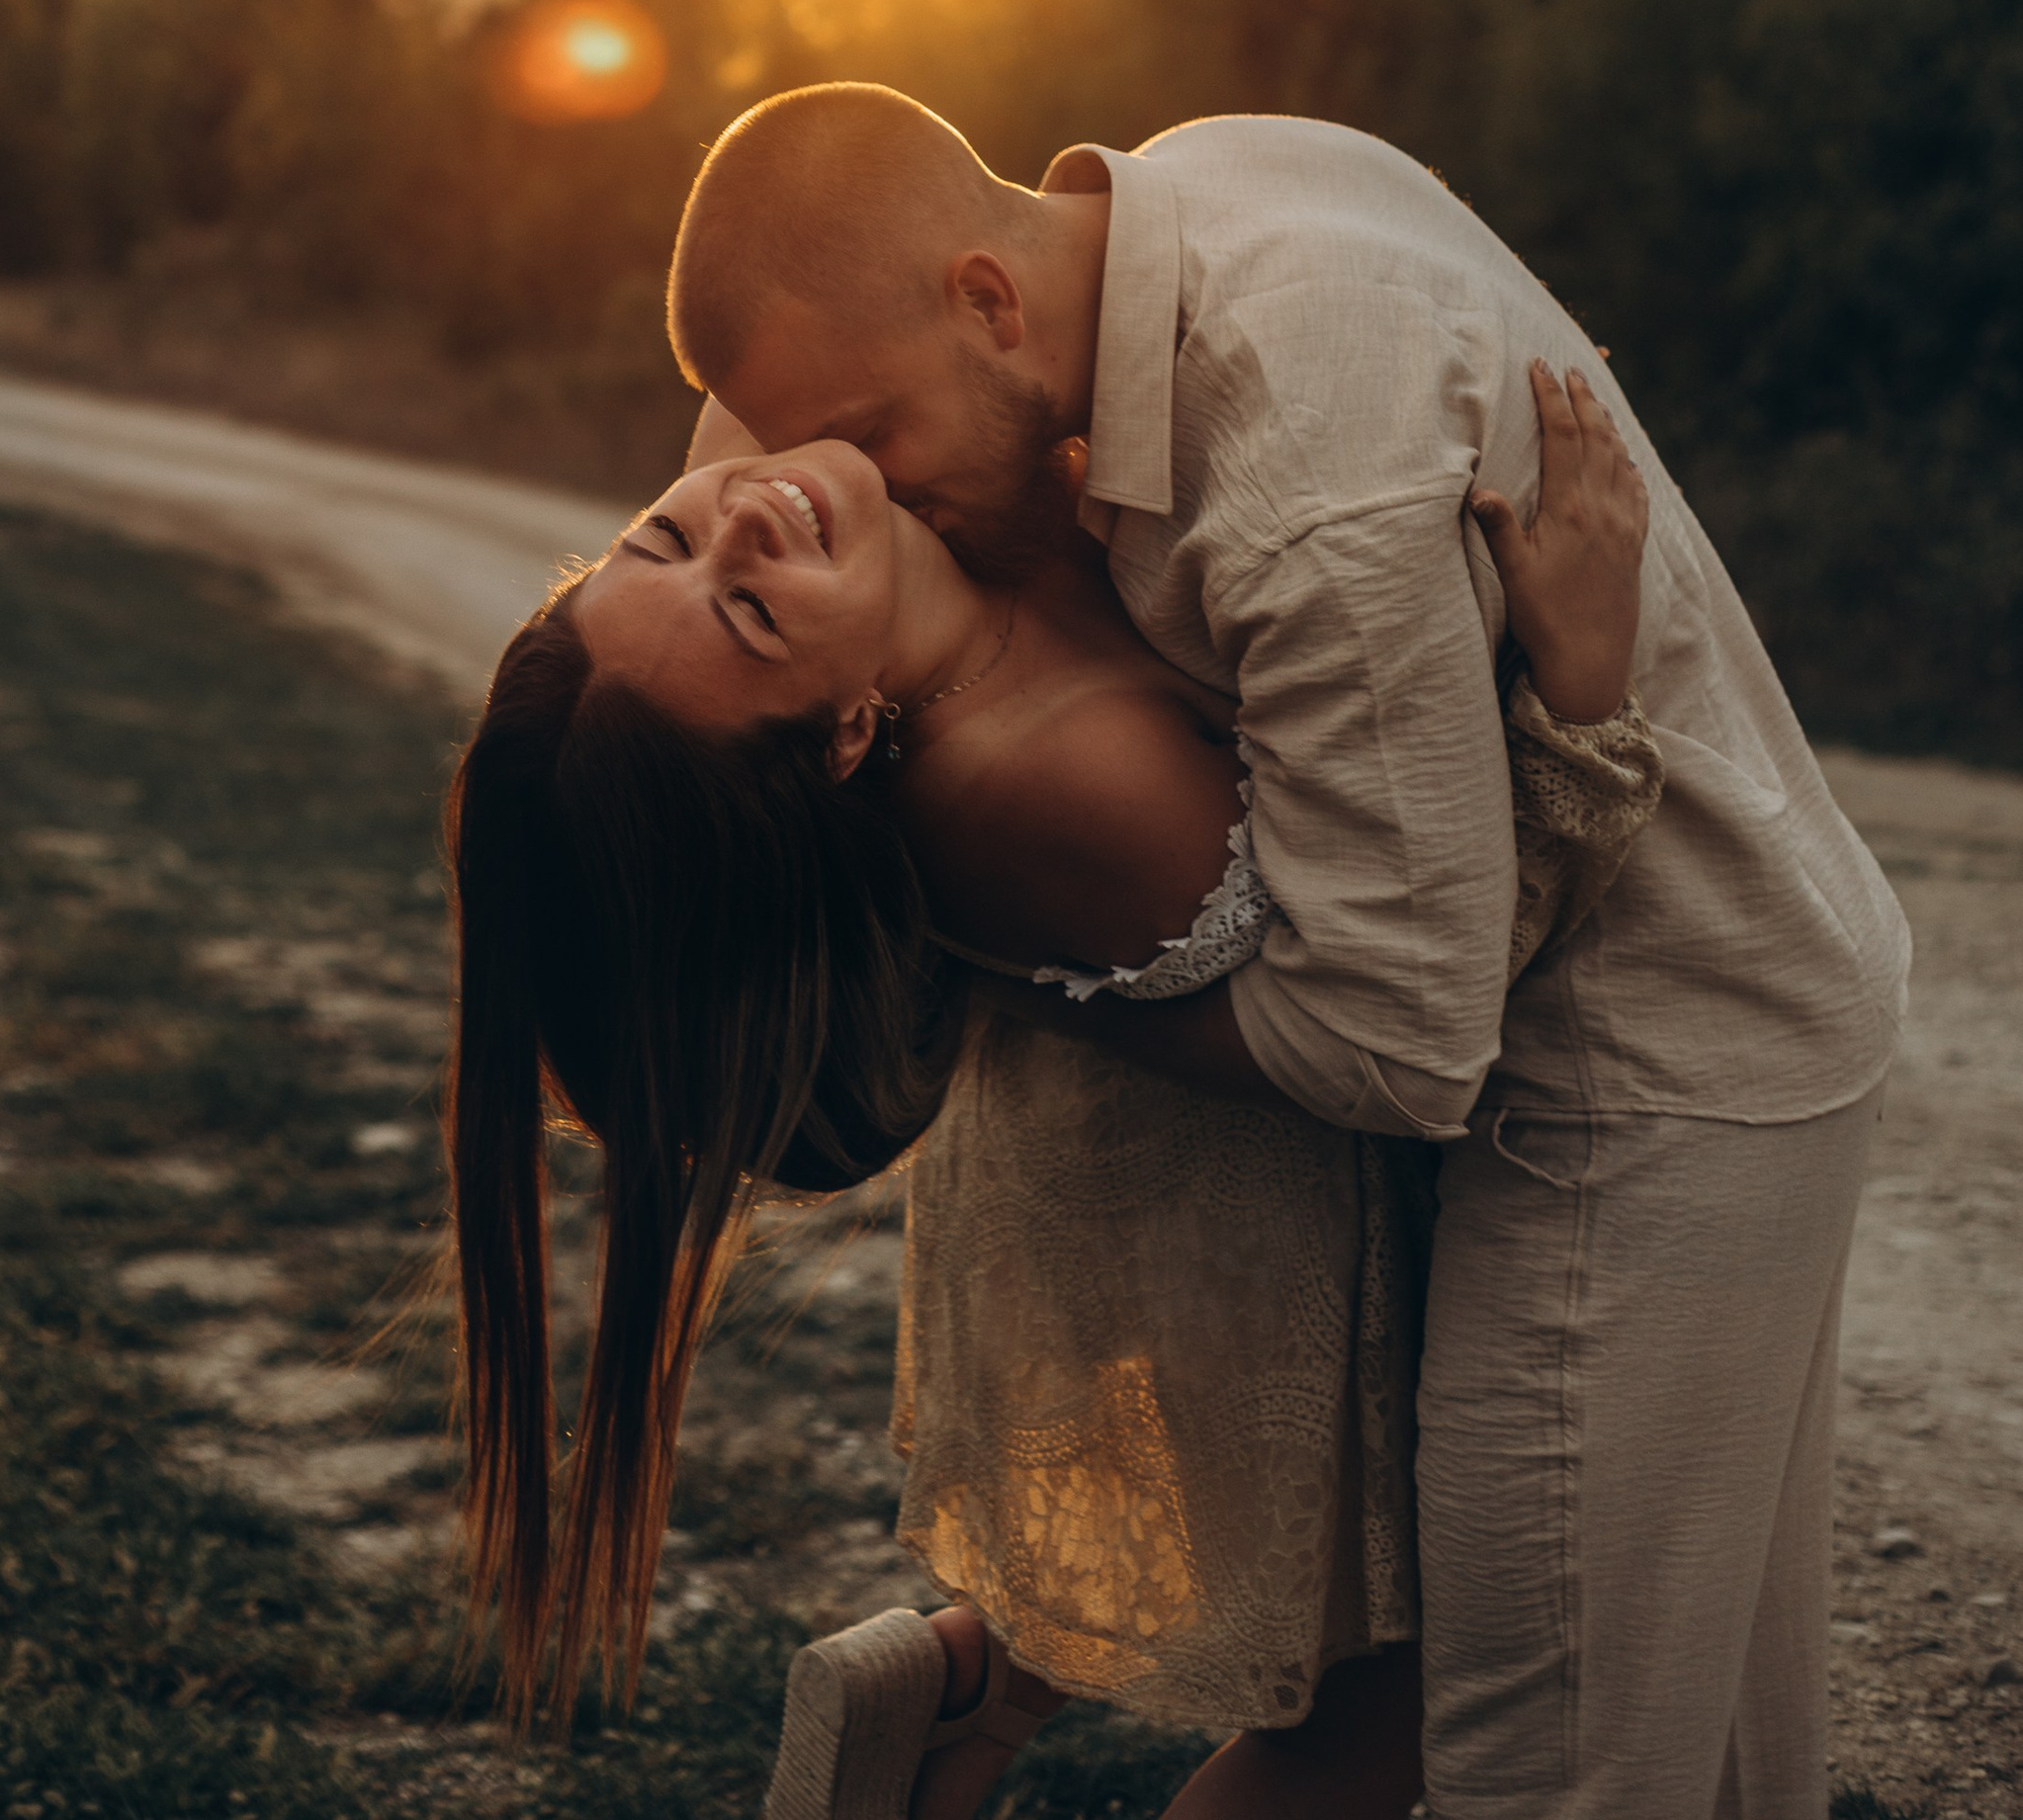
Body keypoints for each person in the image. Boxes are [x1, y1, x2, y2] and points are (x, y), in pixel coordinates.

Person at [662, 87, 1911, 1820]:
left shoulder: (1299, 475)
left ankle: (966, 1707)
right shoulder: (1218, 176)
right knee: (1687, 1752)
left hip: (1648, 1084)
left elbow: (1406, 1044)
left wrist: (1025, 977)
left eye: (876, 433)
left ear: (989, 299)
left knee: (1556, 1771)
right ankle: (969, 1704)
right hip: (1707, 1001)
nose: (872, 491)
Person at [447, 356, 1656, 1814]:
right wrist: (1580, 697)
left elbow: (757, 380)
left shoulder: (805, 516)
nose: (742, 519)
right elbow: (1433, 970)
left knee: (1260, 1571)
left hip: (1115, 1165)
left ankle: (961, 1701)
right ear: (843, 737)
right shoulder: (1078, 784)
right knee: (1394, 1693)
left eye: (660, 537)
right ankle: (971, 1697)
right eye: (749, 610)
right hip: (1235, 1214)